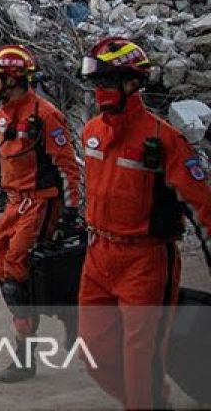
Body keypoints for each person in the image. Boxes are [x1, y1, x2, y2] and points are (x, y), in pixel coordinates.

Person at [76, 37, 211, 409]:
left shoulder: (164, 141)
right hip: (99, 258)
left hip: (145, 263)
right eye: (96, 84)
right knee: (94, 352)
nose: (99, 92)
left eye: (107, 83)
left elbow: (203, 209)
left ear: (131, 83)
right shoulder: (91, 134)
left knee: (142, 364)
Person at [0, 44, 82, 382]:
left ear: (12, 79)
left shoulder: (45, 115)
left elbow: (67, 167)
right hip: (16, 203)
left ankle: (32, 350)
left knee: (19, 268)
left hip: (41, 202)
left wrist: (70, 213)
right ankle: (39, 328)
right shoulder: (3, 115)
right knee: (2, 260)